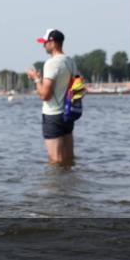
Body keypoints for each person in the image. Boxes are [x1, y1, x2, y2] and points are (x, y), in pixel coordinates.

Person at [26, 29, 78, 168]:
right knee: (68, 159)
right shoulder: (70, 61)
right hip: (68, 114)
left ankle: (57, 189)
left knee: (55, 161)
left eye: (45, 43)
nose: (43, 46)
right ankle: (70, 188)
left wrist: (36, 79)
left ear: (53, 42)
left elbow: (45, 95)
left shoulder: (51, 63)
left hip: (53, 115)